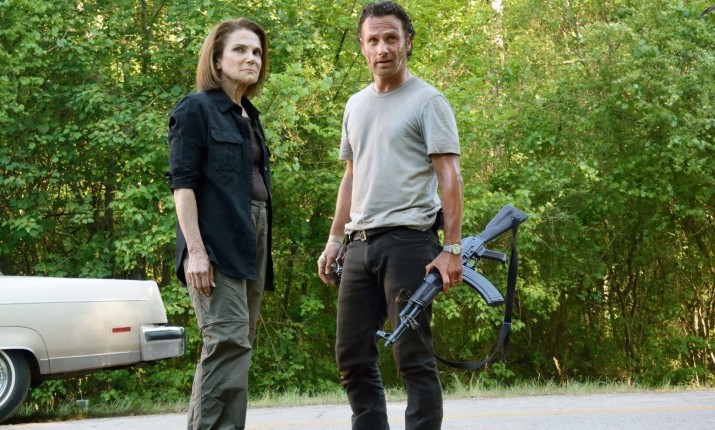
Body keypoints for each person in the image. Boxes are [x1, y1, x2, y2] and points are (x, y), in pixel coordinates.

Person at [317, 2, 464, 429]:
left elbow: (450, 176)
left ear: (408, 43)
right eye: (373, 40)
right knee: (351, 357)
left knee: (412, 356)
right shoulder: (355, 104)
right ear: (363, 47)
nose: (382, 48)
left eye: (391, 38)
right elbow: (351, 176)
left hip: (409, 243)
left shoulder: (428, 101)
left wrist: (452, 249)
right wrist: (334, 240)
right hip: (359, 246)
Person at [167, 18, 273, 430]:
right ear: (216, 59)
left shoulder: (249, 116)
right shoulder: (195, 109)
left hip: (254, 236)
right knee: (226, 339)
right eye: (240, 50)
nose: (252, 59)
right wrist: (196, 251)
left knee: (239, 344)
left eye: (257, 52)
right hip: (216, 241)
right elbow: (183, 185)